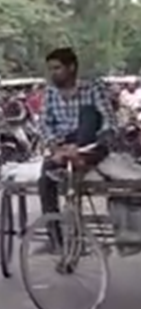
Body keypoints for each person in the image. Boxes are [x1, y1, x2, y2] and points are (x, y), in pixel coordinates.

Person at [37, 48, 116, 250]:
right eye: (50, 69)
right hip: (61, 145)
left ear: (71, 68)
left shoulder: (92, 88)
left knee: (88, 114)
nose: (53, 73)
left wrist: (93, 141)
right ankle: (55, 238)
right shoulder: (50, 93)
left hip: (91, 141)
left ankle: (77, 157)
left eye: (57, 68)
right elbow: (45, 125)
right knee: (45, 180)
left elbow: (108, 120)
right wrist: (57, 147)